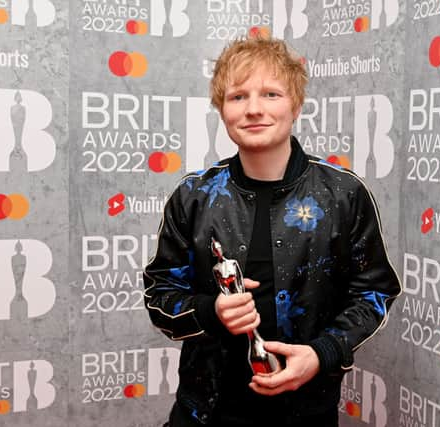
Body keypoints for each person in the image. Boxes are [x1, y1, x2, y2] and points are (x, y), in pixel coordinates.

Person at [143, 36, 400, 427]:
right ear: (222, 109)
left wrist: (322, 353)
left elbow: (375, 291)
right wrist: (210, 311)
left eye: (271, 94)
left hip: (306, 412)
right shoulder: (193, 197)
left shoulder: (343, 195)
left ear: (295, 105)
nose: (254, 109)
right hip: (205, 412)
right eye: (238, 97)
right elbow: (159, 295)